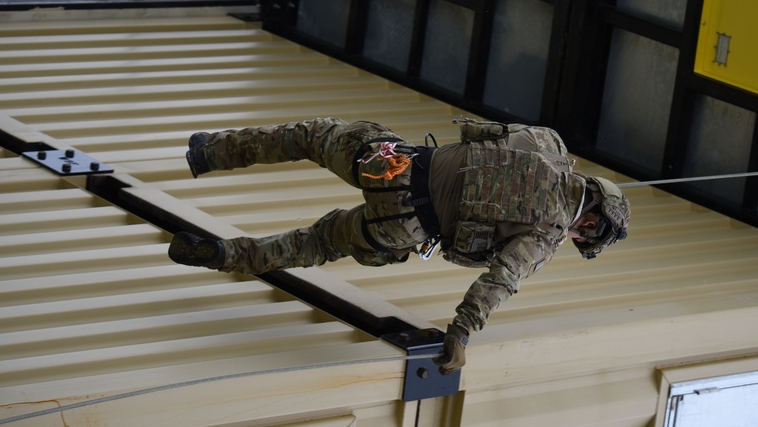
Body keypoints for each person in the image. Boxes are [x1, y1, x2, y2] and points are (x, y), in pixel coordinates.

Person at [167, 116, 630, 373]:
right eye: (583, 235)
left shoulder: (547, 142)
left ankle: (210, 151)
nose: (573, 238)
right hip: (403, 226)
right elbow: (498, 283)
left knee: (310, 139)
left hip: (393, 163)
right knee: (313, 245)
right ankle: (224, 255)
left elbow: (477, 134)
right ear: (589, 220)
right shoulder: (544, 240)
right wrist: (461, 334)